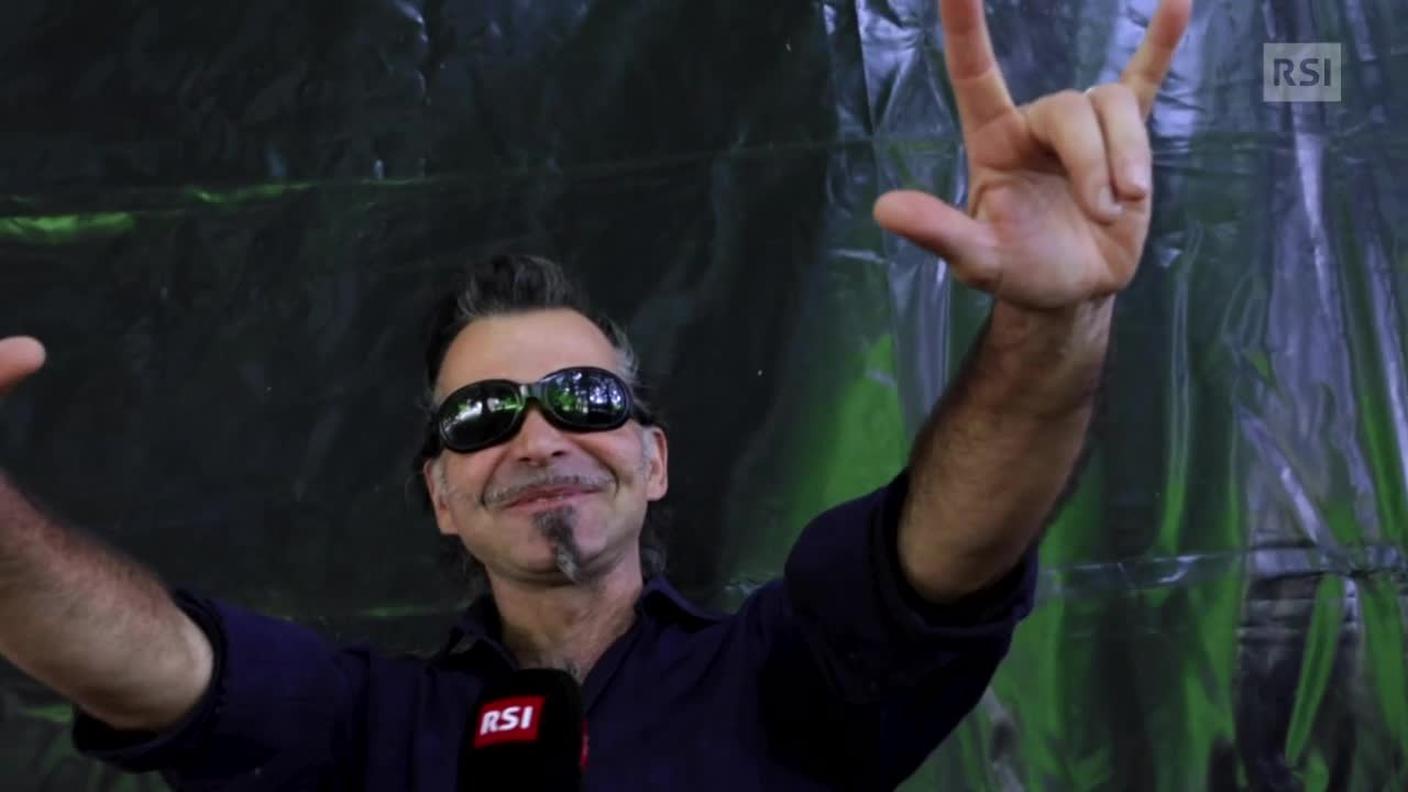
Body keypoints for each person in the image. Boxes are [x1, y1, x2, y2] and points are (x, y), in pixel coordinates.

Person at [0, 0, 1191, 788]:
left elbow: (955, 541)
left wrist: (1050, 319)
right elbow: (150, 665)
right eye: (481, 417)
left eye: (580, 396)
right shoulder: (366, 728)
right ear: (440, 496)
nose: (536, 435)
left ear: (652, 458)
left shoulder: (787, 677)